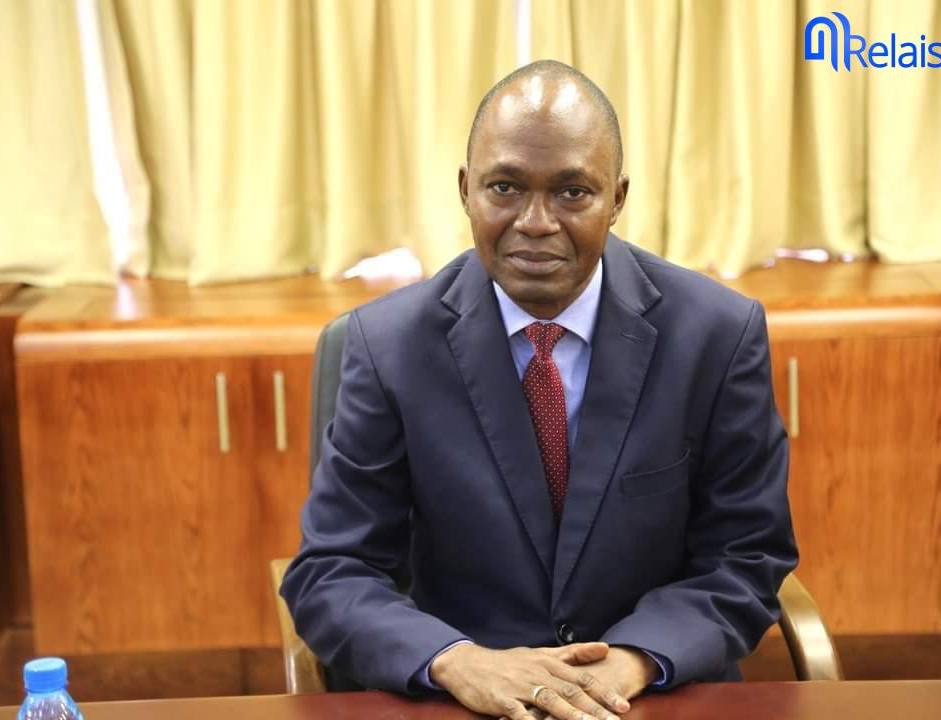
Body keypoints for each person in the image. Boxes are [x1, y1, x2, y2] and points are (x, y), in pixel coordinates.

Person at [281, 59, 796, 720]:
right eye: (505, 187)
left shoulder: (716, 335)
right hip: (464, 700)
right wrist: (457, 661)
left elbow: (746, 555)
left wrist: (633, 659)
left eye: (572, 193)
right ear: (466, 190)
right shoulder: (388, 346)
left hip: (653, 694)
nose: (535, 221)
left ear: (617, 199)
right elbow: (331, 572)